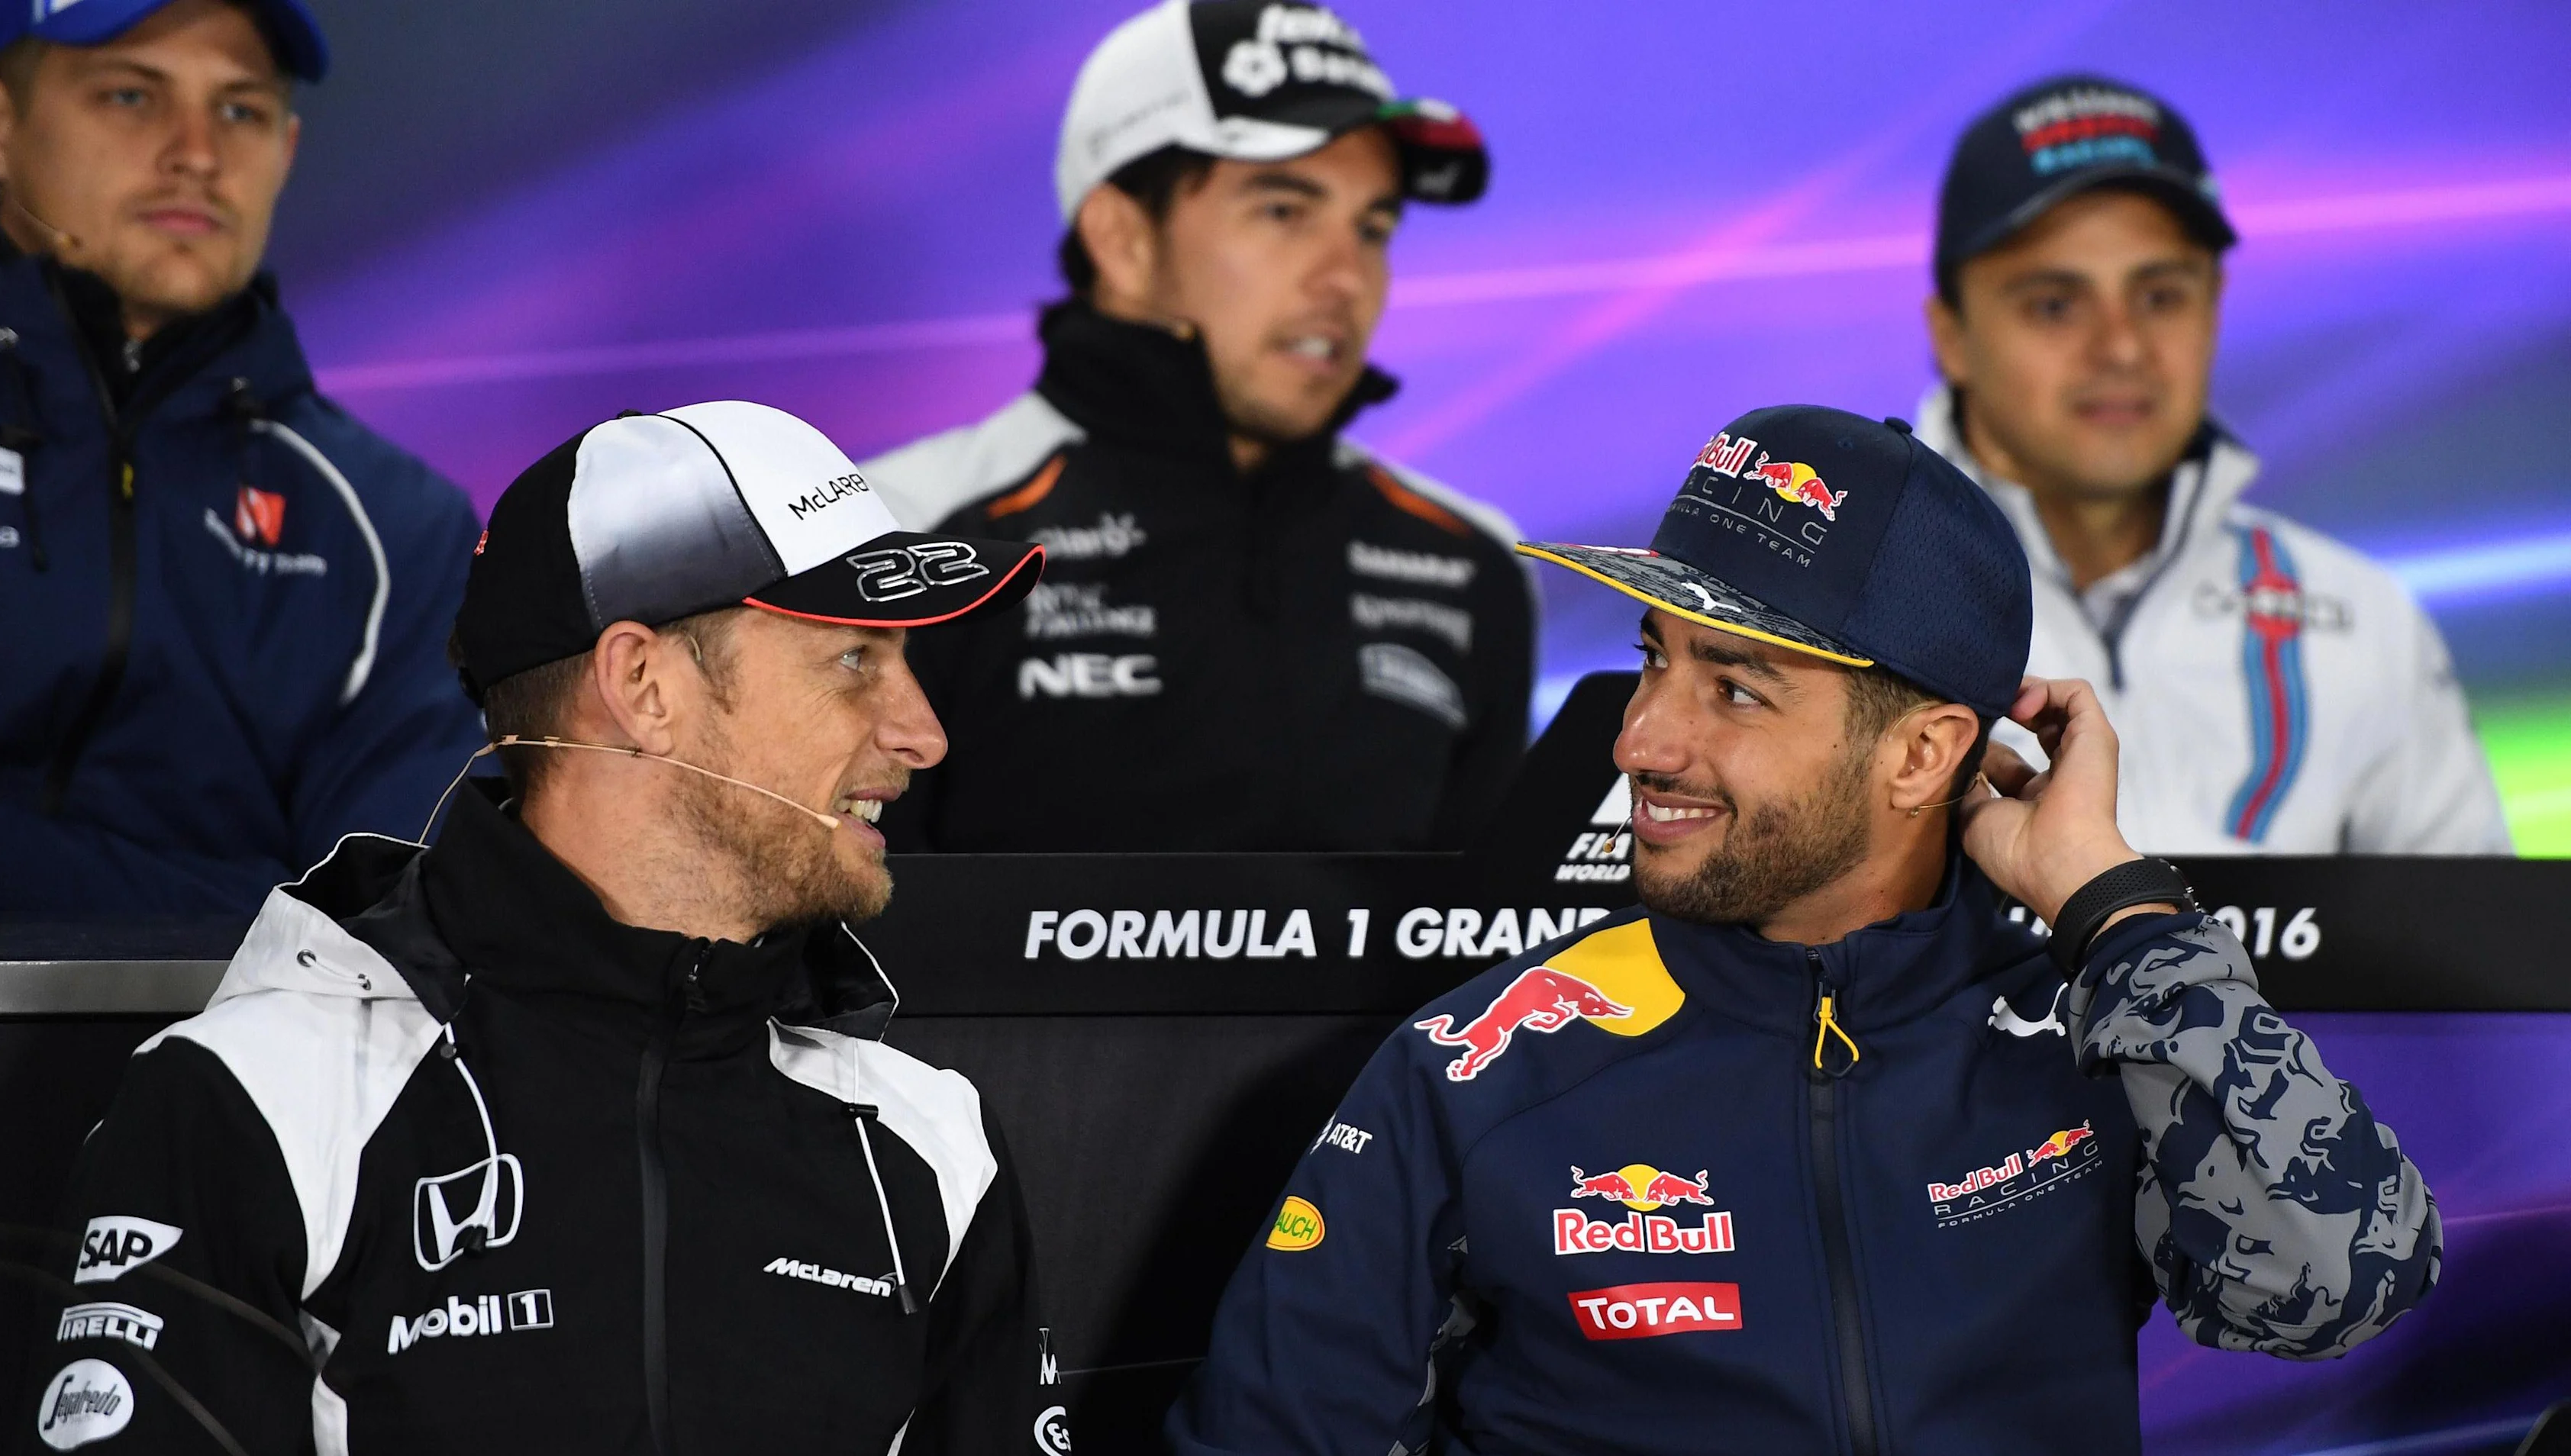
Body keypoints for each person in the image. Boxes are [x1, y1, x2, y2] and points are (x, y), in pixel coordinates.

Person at [1168, 407, 2438, 1454]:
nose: (1641, 738)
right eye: (1652, 657)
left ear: (1922, 752)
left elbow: (2333, 1287)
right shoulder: (1478, 1066)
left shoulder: (2091, 1024)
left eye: (1733, 687)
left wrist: (2107, 899)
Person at [27, 401, 1067, 1453]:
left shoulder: (928, 1141)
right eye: (854, 661)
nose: (922, 734)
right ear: (642, 686)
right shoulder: (262, 1103)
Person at [862, 0, 1534, 853]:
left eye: (1372, 227)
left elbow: (1492, 958)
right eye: (1284, 210)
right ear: (1122, 237)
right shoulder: (899, 537)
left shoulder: (1469, 564)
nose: (1344, 278)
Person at [0, 0, 486, 914]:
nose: (198, 155)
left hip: (228, 1063)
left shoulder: (394, 528)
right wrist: (250, 905)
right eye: (131, 95)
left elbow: (382, 935)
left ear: (286, 152)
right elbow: (299, 925)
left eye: (240, 111)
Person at [1919, 75, 2510, 854]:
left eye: (2160, 295)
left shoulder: (2360, 618)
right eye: (2054, 304)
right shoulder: (1830, 598)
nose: (2122, 347)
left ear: (2213, 306)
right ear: (1950, 336)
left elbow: (2472, 957)